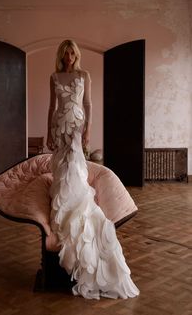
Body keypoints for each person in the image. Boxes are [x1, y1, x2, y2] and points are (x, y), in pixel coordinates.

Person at [46, 39, 139, 300]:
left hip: (75, 126)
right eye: (65, 53)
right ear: (61, 55)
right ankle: (62, 207)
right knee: (60, 168)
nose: (69, 56)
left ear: (77, 54)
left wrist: (87, 131)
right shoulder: (54, 76)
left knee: (75, 167)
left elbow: (88, 105)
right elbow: (51, 107)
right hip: (58, 127)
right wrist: (48, 133)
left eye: (72, 52)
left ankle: (75, 206)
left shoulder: (84, 75)